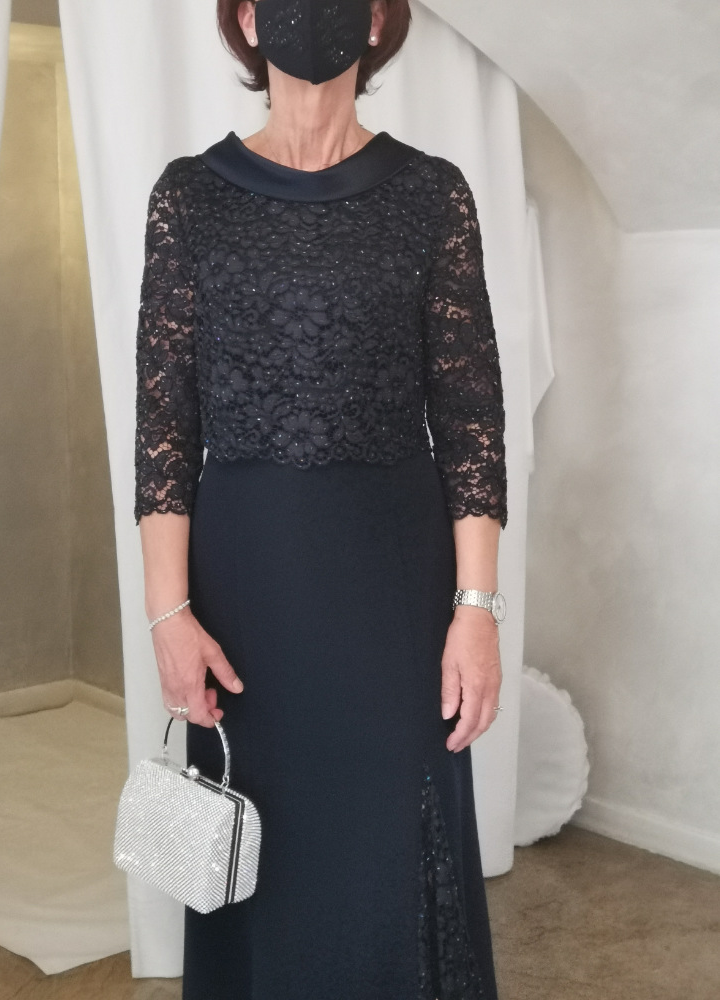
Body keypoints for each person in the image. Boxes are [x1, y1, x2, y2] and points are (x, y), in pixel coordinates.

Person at [134, 0, 508, 997]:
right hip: (244, 594)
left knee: (393, 840)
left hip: (395, 588)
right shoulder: (188, 197)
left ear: (379, 16)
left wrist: (476, 610)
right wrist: (168, 614)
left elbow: (470, 419)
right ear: (247, 17)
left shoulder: (432, 194)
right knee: (265, 852)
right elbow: (163, 424)